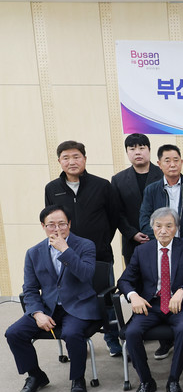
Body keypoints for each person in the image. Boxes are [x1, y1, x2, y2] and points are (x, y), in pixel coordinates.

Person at [5, 205, 101, 392]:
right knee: (14, 333)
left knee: (72, 334)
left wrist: (65, 250)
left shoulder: (85, 245)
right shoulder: (33, 252)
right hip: (48, 308)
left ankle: (78, 379)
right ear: (43, 226)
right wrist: (37, 313)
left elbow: (86, 275)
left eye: (62, 224)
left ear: (70, 224)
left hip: (78, 305)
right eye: (51, 225)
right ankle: (35, 376)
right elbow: (30, 289)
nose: (57, 229)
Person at [117, 207, 183, 392]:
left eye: (169, 226)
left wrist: (182, 290)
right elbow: (124, 281)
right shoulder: (142, 251)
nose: (163, 231)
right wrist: (133, 296)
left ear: (176, 228)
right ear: (152, 228)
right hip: (150, 304)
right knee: (131, 332)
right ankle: (146, 382)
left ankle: (173, 381)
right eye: (158, 226)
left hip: (177, 305)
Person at [44, 140, 121, 356]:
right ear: (59, 161)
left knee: (106, 300)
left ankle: (113, 340)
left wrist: (101, 242)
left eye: (76, 156)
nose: (72, 161)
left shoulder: (102, 185)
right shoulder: (52, 189)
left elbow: (113, 218)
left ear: (85, 159)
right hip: (65, 256)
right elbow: (52, 221)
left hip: (100, 255)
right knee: (70, 299)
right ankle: (76, 340)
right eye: (66, 158)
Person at [139, 144, 183, 359]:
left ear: (181, 162)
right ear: (159, 164)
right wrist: (163, 240)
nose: (172, 164)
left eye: (176, 159)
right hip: (161, 249)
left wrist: (181, 244)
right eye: (167, 160)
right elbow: (144, 220)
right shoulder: (152, 190)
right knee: (163, 292)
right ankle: (165, 341)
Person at [112, 133, 163, 266]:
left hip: (163, 240)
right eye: (132, 149)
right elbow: (117, 212)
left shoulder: (163, 175)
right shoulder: (118, 180)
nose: (137, 152)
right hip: (132, 243)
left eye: (141, 148)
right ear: (127, 152)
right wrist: (132, 233)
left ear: (149, 150)